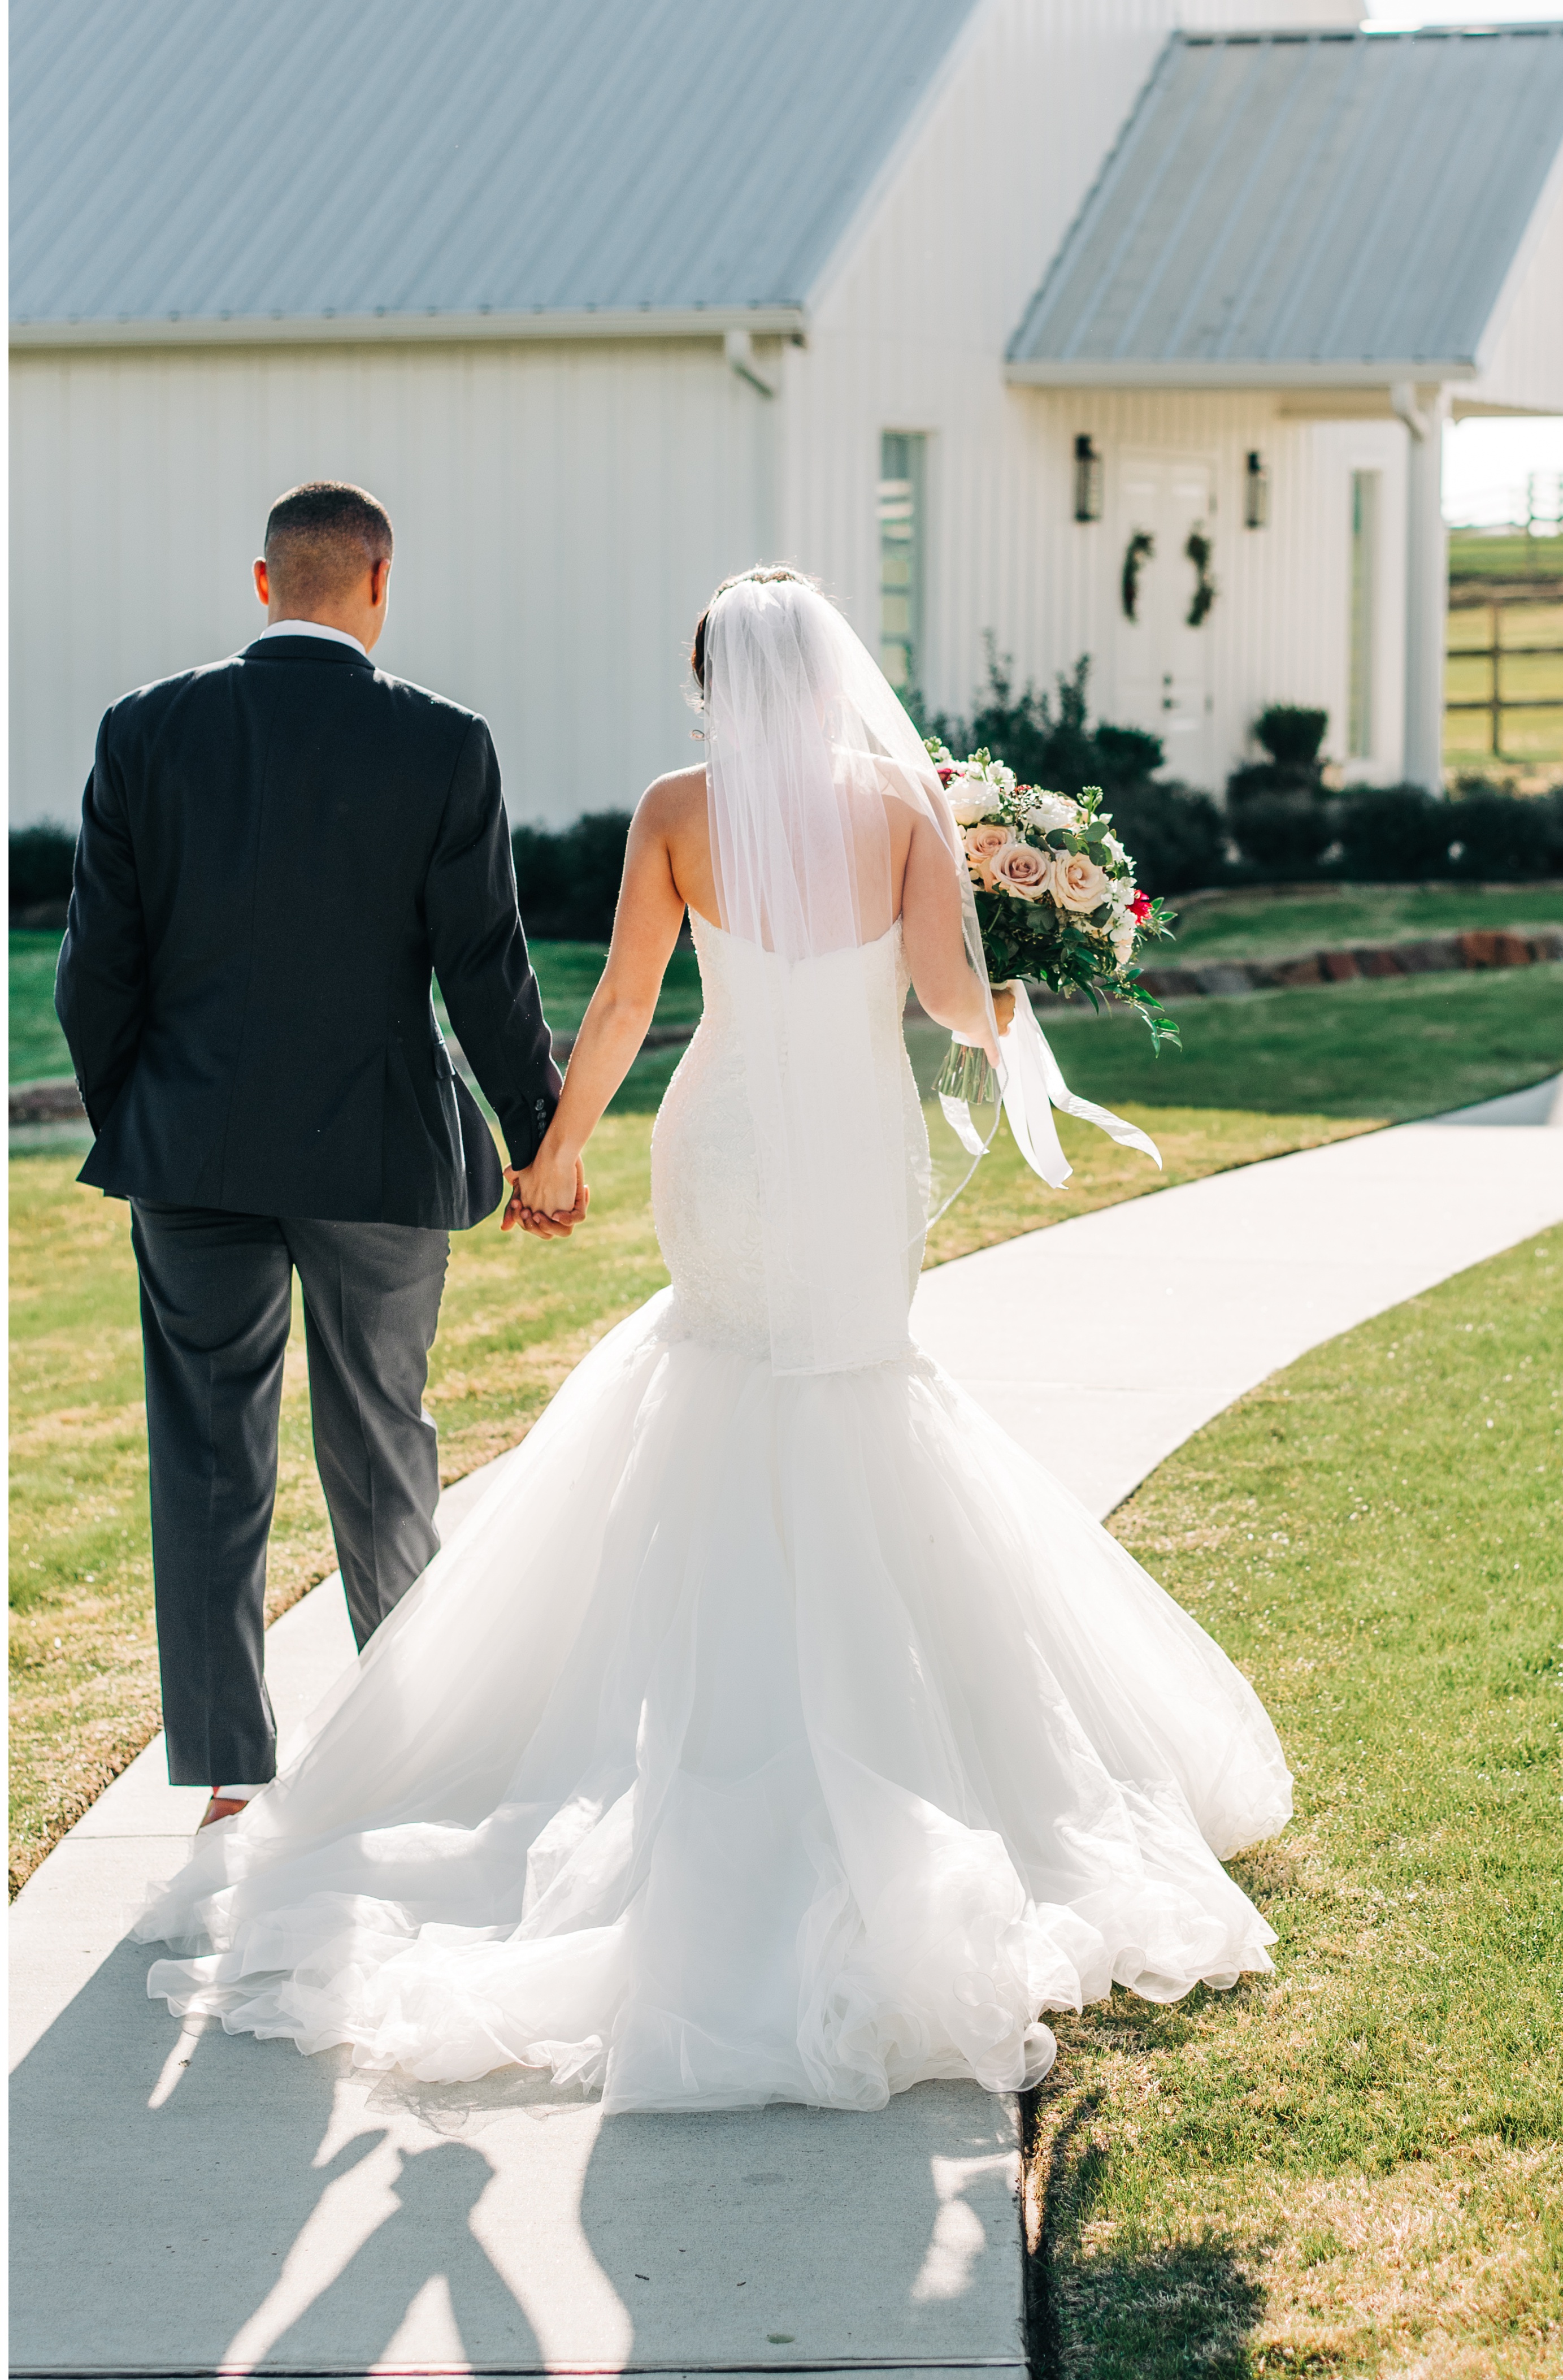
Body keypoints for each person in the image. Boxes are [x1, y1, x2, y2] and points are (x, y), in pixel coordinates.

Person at [137, 569, 1292, 2111]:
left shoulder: (676, 805)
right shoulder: (900, 809)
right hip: (849, 1153)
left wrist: (552, 1151)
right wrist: (1035, 957)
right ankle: (908, 1739)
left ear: (706, 684)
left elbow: (621, 1000)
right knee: (859, 1393)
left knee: (721, 1381)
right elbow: (954, 1005)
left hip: (730, 1142)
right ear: (829, 680)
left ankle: (691, 1735)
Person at [57, 481, 569, 1833]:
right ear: (380, 585)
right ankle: (403, 1749)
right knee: (382, 1443)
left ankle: (227, 1775)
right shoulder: (445, 743)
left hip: (191, 1153)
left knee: (208, 1457)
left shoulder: (145, 729)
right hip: (381, 1153)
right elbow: (488, 973)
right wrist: (543, 1141)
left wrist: (141, 1115)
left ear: (263, 581)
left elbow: (94, 968)